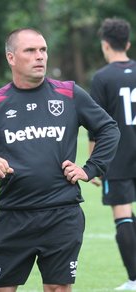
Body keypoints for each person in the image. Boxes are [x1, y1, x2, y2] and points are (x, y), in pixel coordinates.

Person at [0, 27, 120, 292]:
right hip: (13, 216)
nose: (40, 56)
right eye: (30, 51)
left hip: (62, 214)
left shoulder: (69, 94)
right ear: (11, 58)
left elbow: (109, 129)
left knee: (58, 288)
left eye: (43, 50)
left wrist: (91, 169)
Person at [89, 17, 136, 291]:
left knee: (123, 214)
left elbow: (96, 127)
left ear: (105, 45)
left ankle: (134, 279)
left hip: (117, 157)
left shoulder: (103, 77)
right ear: (127, 43)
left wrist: (94, 165)